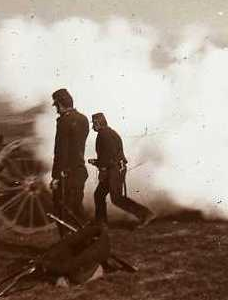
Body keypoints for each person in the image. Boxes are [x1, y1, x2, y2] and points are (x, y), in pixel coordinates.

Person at [89, 112, 156, 227]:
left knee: (117, 198)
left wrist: (97, 163)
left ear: (98, 123)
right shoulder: (109, 132)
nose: (92, 127)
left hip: (114, 169)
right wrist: (99, 163)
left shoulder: (103, 134)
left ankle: (146, 214)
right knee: (99, 194)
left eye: (94, 124)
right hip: (114, 168)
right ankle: (101, 223)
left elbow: (108, 156)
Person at [50, 88, 90, 233]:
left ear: (60, 104)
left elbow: (61, 151)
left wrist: (55, 176)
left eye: (56, 106)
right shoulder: (83, 119)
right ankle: (89, 238)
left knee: (62, 210)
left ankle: (70, 244)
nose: (56, 110)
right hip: (79, 170)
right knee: (76, 207)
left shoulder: (64, 122)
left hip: (66, 174)